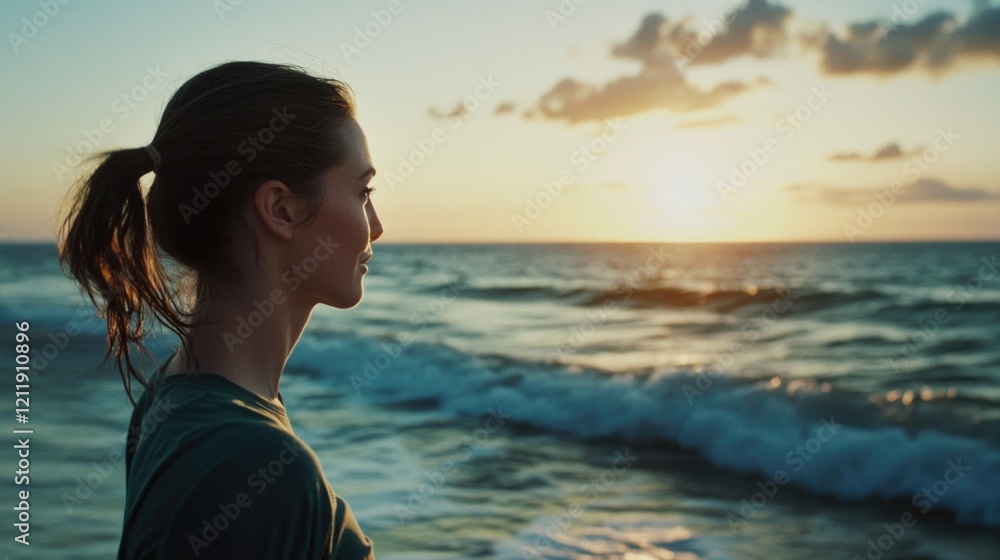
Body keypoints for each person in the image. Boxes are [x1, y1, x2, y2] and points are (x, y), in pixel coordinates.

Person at [58, 61, 382, 559]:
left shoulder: (170, 396)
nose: (375, 225)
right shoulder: (255, 462)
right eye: (363, 192)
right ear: (280, 210)